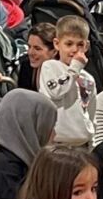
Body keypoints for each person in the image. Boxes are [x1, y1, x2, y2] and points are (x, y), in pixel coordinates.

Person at [38, 17, 98, 145]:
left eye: (80, 45)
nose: (74, 49)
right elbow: (56, 92)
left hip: (82, 143)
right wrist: (75, 68)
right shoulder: (50, 67)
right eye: (69, 44)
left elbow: (91, 112)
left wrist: (91, 141)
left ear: (86, 46)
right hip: (56, 142)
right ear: (57, 44)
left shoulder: (88, 79)